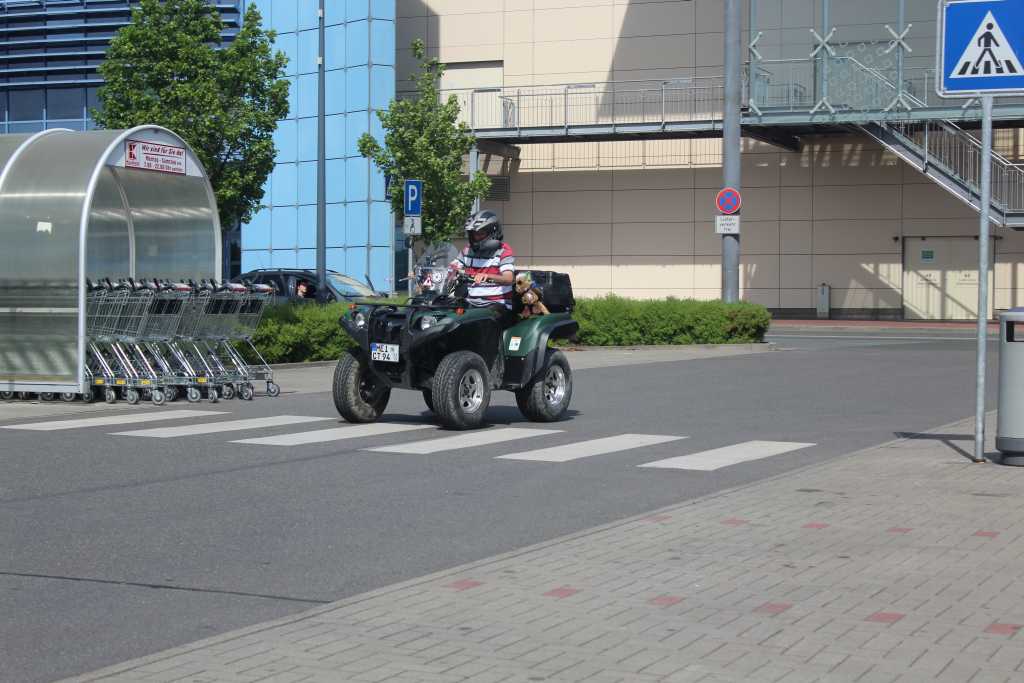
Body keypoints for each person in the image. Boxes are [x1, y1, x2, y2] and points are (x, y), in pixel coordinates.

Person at [451, 210, 515, 309]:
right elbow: (453, 268)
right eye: (474, 234)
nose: (477, 237)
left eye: (481, 233)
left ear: (493, 233)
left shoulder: (503, 250)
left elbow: (508, 278)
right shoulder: (468, 250)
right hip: (472, 304)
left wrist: (487, 276)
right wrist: (449, 271)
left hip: (497, 305)